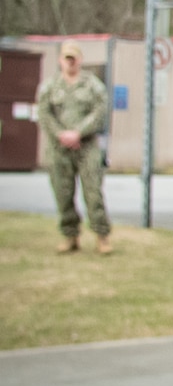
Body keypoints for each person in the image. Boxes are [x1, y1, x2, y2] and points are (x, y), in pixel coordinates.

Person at [37, 40, 112, 255]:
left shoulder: (93, 85)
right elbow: (44, 114)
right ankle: (70, 235)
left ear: (80, 60)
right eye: (66, 59)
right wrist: (62, 134)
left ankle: (102, 235)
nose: (70, 63)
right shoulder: (50, 86)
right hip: (59, 148)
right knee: (63, 192)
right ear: (60, 60)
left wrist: (78, 132)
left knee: (93, 192)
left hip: (86, 147)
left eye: (74, 58)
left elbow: (100, 111)